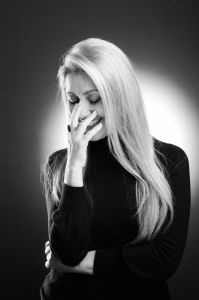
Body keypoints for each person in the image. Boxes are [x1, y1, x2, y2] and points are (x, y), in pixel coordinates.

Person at [40, 37, 191, 300]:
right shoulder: (58, 164)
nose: (82, 112)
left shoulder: (170, 161)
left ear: (121, 98)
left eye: (94, 99)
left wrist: (80, 263)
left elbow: (164, 258)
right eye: (73, 100)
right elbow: (68, 250)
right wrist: (75, 163)